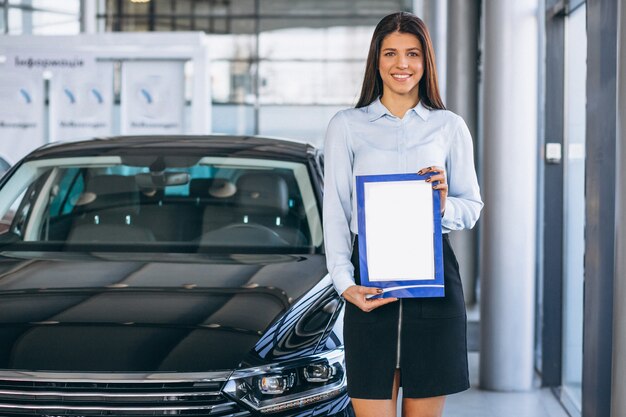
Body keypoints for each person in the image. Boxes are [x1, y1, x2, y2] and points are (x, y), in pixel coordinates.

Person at [323, 12, 483, 417]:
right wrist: (345, 283)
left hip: (435, 284)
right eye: (390, 53)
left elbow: (472, 207)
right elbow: (337, 213)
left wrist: (444, 203)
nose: (402, 64)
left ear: (425, 61)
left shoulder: (448, 127)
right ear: (376, 60)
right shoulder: (347, 126)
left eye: (413, 54)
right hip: (369, 288)